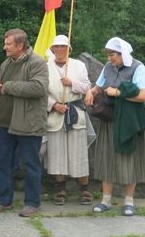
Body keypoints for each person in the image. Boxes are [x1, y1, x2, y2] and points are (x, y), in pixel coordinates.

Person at [84, 37, 145, 217]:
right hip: (111, 119)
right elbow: (99, 86)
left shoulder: (138, 67)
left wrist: (119, 93)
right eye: (108, 55)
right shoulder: (108, 68)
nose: (109, 58)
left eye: (112, 54)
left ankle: (129, 201)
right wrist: (91, 92)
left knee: (130, 159)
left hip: (131, 121)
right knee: (107, 157)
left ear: (123, 54)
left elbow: (144, 95)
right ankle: (106, 199)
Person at [0, 29, 48, 217]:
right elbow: (3, 90)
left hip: (28, 124)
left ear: (20, 45)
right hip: (6, 123)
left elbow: (39, 87)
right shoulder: (6, 64)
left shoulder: (37, 62)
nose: (4, 47)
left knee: (30, 164)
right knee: (2, 163)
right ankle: (3, 200)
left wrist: (7, 87)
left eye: (8, 44)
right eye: (5, 44)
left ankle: (33, 203)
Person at [43, 35, 93, 206]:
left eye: (62, 47)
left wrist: (71, 83)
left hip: (74, 113)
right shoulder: (45, 67)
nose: (59, 50)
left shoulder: (78, 65)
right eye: (56, 47)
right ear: (52, 49)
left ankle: (85, 189)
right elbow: (41, 92)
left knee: (79, 153)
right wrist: (54, 105)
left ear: (68, 49)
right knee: (56, 154)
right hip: (55, 114)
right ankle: (60, 189)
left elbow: (87, 87)